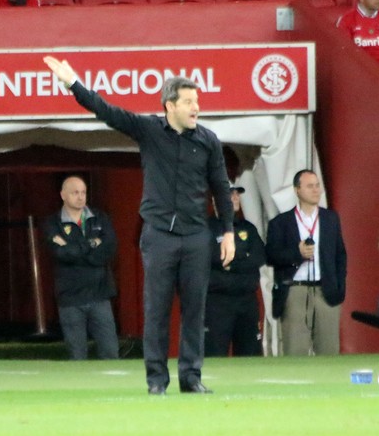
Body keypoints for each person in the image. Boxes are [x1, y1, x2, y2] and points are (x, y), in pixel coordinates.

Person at [43, 56, 235, 395]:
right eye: (189, 102)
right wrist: (73, 82)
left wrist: (228, 232)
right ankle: (156, 381)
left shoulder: (208, 140)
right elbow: (106, 111)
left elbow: (221, 188)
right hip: (159, 234)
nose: (196, 108)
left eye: (197, 101)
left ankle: (191, 378)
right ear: (170, 105)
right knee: (157, 309)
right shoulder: (148, 130)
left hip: (195, 236)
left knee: (194, 310)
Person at [265, 169, 347, 356]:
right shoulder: (281, 222)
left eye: (317, 185)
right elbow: (270, 255)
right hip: (295, 289)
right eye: (310, 186)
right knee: (295, 349)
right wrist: (297, 253)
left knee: (329, 350)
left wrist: (339, 286)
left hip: (325, 291)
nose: (316, 190)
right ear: (297, 190)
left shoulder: (330, 218)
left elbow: (340, 255)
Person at [42, 175, 120, 360]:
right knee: (77, 355)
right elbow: (61, 254)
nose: (80, 196)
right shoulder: (52, 223)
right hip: (70, 298)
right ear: (63, 195)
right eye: (75, 192)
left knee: (110, 352)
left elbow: (110, 248)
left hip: (100, 295)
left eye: (83, 192)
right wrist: (93, 243)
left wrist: (75, 249)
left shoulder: (100, 217)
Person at [205, 184, 265, 357]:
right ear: (215, 199)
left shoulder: (249, 228)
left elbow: (258, 258)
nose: (235, 197)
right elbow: (210, 258)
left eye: (237, 194)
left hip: (247, 302)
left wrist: (231, 260)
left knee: (251, 354)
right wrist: (242, 256)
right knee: (215, 354)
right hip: (217, 303)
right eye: (230, 194)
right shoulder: (206, 228)